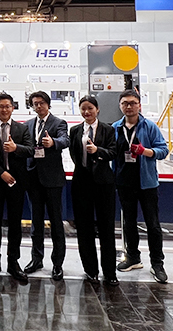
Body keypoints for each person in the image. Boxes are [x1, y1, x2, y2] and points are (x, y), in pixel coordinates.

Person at [113, 89, 170, 284]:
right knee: (128, 223)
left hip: (147, 184)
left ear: (139, 105)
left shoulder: (149, 126)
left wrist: (146, 151)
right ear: (120, 106)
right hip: (124, 183)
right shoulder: (115, 128)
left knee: (153, 224)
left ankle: (157, 263)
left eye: (132, 103)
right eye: (125, 103)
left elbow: (163, 150)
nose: (128, 106)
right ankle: (133, 258)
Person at [0, 93, 33, 283]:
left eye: (7, 106)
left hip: (16, 182)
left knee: (15, 224)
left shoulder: (22, 128)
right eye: (1, 106)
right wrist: (1, 172)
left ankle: (13, 262)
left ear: (12, 108)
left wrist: (16, 148)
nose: (4, 109)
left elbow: (30, 150)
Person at [69, 95, 119, 286]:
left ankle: (110, 272)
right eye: (83, 108)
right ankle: (90, 270)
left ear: (97, 109)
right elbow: (74, 154)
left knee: (106, 228)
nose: (86, 112)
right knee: (84, 228)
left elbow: (113, 152)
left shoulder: (108, 129)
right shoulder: (75, 130)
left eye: (90, 108)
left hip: (103, 183)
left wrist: (98, 151)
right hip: (81, 182)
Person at [22, 91, 69, 281]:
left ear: (48, 104)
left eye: (41, 103)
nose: (38, 106)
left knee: (56, 223)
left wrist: (53, 142)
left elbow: (65, 140)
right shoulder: (28, 125)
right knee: (36, 222)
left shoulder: (58, 123)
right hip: (33, 180)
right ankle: (36, 259)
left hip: (53, 180)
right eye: (35, 103)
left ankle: (58, 263)